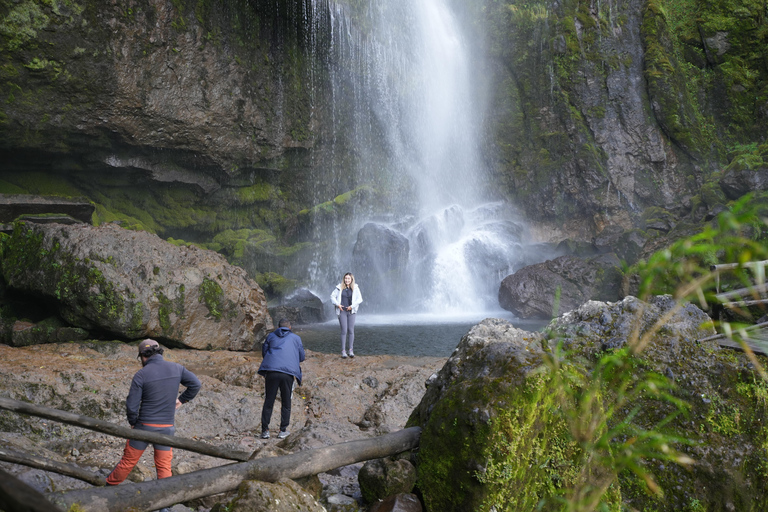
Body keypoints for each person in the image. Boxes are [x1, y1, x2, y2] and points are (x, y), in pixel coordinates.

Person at [106, 339, 201, 486]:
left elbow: (132, 404)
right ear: (159, 352)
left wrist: (133, 423)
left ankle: (108, 488)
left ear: (143, 356)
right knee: (164, 466)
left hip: (144, 426)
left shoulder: (141, 374)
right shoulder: (177, 368)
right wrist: (181, 400)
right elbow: (196, 384)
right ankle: (165, 505)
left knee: (128, 461)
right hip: (167, 428)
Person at [258, 318, 305, 439]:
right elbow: (302, 357)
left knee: (269, 400)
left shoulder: (271, 336)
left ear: (278, 327)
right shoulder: (296, 338)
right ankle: (282, 430)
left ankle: (265, 431)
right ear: (290, 327)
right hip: (287, 373)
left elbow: (264, 353)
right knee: (286, 402)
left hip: (272, 371)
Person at [330, 272, 363, 358]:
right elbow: (332, 296)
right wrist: (338, 304)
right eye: (345, 278)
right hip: (342, 311)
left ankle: (351, 350)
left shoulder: (355, 288)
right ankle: (343, 351)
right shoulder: (339, 287)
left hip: (351, 311)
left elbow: (360, 299)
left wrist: (352, 306)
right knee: (344, 330)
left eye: (348, 278)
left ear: (351, 279)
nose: (347, 280)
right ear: (344, 279)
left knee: (351, 330)